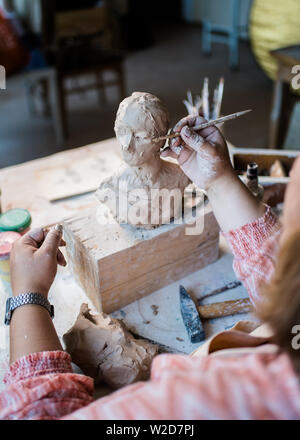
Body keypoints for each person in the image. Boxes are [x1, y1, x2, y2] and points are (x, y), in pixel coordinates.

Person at [0, 117, 299, 420]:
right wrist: (219, 180)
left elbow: (34, 413)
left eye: (138, 134)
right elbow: (277, 271)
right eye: (121, 133)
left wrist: (29, 294)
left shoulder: (194, 402)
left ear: (159, 138)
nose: (127, 144)